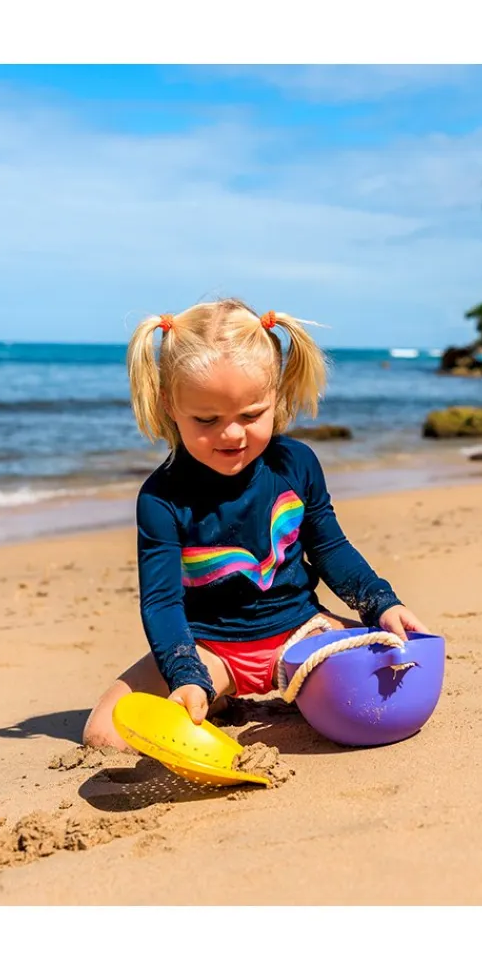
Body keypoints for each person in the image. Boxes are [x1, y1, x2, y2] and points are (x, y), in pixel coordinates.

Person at [83, 299, 427, 749]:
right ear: (169, 404)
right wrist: (185, 674)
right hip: (212, 650)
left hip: (303, 636)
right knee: (104, 734)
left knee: (394, 683)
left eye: (250, 415)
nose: (232, 434)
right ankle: (217, 696)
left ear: (277, 398)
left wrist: (380, 602)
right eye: (206, 420)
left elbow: (330, 549)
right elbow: (162, 603)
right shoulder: (161, 499)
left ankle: (303, 685)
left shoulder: (296, 464)